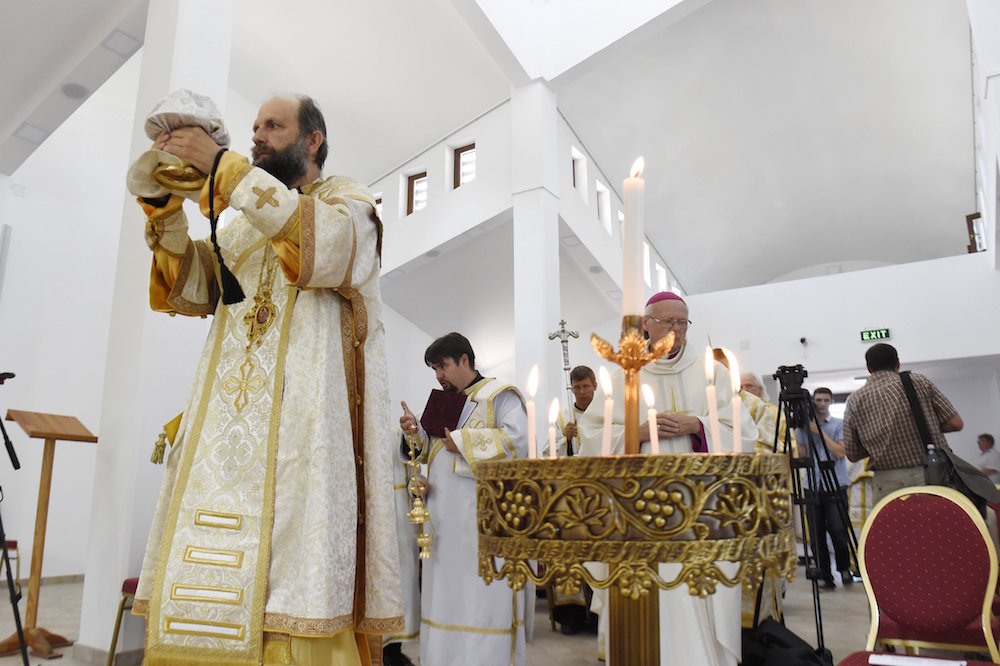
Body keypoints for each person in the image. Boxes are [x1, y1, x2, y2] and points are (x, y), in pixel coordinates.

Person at [132, 95, 403, 665]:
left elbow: (323, 249)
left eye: (273, 126)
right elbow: (194, 286)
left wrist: (227, 169)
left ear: (313, 141)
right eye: (253, 127)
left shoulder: (347, 202)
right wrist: (164, 212)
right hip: (228, 443)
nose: (258, 135)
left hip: (304, 440)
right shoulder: (243, 225)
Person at [578, 292, 758, 666]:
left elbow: (745, 433)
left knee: (699, 587)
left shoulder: (712, 372)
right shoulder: (622, 374)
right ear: (646, 324)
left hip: (702, 511)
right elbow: (591, 438)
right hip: (639, 511)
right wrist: (636, 432)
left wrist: (699, 425)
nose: (676, 329)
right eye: (667, 322)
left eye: (682, 322)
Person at [399, 332, 529, 666]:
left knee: (480, 596)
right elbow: (429, 452)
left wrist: (463, 441)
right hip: (442, 521)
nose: (438, 375)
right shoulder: (444, 402)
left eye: (442, 366)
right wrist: (414, 433)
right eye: (434, 369)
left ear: (464, 360)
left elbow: (517, 443)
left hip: (481, 521)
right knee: (444, 595)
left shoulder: (500, 396)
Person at [844, 343, 963, 503]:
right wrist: (925, 428)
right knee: (937, 524)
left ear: (868, 368)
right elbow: (956, 423)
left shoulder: (854, 400)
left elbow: (851, 454)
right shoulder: (919, 382)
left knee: (897, 527)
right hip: (930, 474)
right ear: (898, 363)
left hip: (887, 482)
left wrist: (880, 442)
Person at [795, 387, 853, 590]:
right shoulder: (802, 428)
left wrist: (818, 432)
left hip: (836, 484)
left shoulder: (838, 424)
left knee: (838, 529)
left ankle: (844, 568)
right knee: (816, 532)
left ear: (830, 402)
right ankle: (824, 575)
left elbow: (839, 452)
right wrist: (803, 432)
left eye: (825, 400)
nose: (821, 404)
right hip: (812, 485)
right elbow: (802, 457)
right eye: (818, 399)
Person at [545, 365, 597, 458]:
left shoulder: (606, 415)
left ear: (595, 386)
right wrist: (567, 440)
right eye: (577, 387)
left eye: (586, 386)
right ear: (571, 389)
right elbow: (548, 453)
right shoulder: (562, 419)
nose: (582, 392)